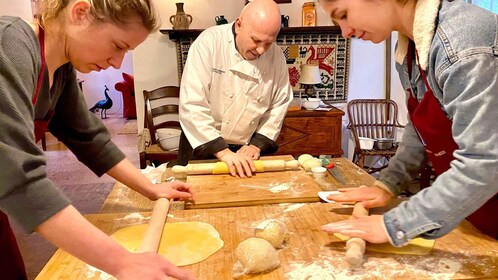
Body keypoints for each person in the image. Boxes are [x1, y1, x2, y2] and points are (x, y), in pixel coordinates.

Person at [0, 0, 195, 279]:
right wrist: (122, 262)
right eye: (118, 46)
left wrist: (152, 189)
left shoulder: (61, 68)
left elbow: (90, 139)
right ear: (80, 13)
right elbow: (15, 172)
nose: (117, 62)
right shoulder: (9, 45)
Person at [317, 0, 498, 246]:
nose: (345, 32)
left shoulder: (462, 42)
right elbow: (422, 126)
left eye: (344, 15)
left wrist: (395, 225)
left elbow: (485, 162)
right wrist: (389, 183)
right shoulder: (407, 52)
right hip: (480, 215)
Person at [178, 0, 293, 178]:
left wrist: (257, 144)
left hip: (246, 151)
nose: (262, 50)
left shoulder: (276, 56)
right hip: (204, 143)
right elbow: (192, 103)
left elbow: (279, 104)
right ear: (239, 25)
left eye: (269, 43)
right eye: (256, 40)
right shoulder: (209, 43)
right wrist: (223, 152)